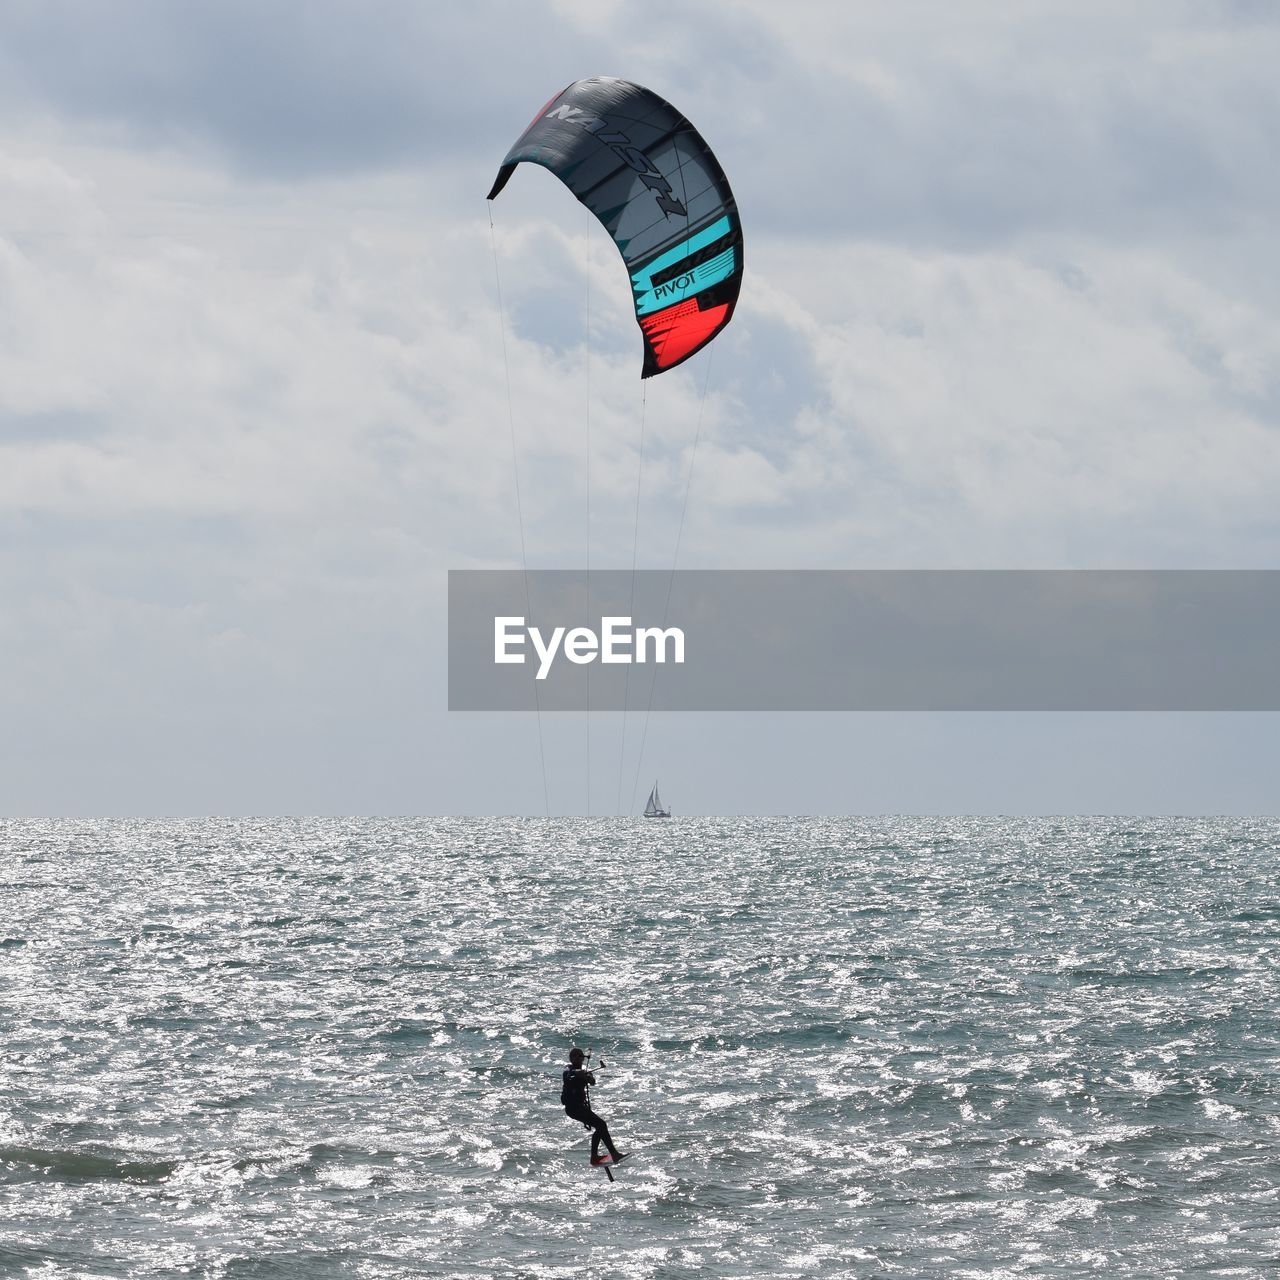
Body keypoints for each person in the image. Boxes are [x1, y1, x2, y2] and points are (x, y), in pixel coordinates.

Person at [561, 1047, 628, 1166]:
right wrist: (578, 1073)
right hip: (573, 1108)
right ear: (571, 1059)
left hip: (581, 1107)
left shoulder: (585, 1071)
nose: (579, 1058)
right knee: (601, 1125)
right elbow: (568, 1074)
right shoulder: (568, 1069)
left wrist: (588, 1077)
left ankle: (599, 1156)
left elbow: (592, 1082)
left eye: (581, 1056)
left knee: (601, 1126)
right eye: (576, 1056)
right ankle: (609, 1155)